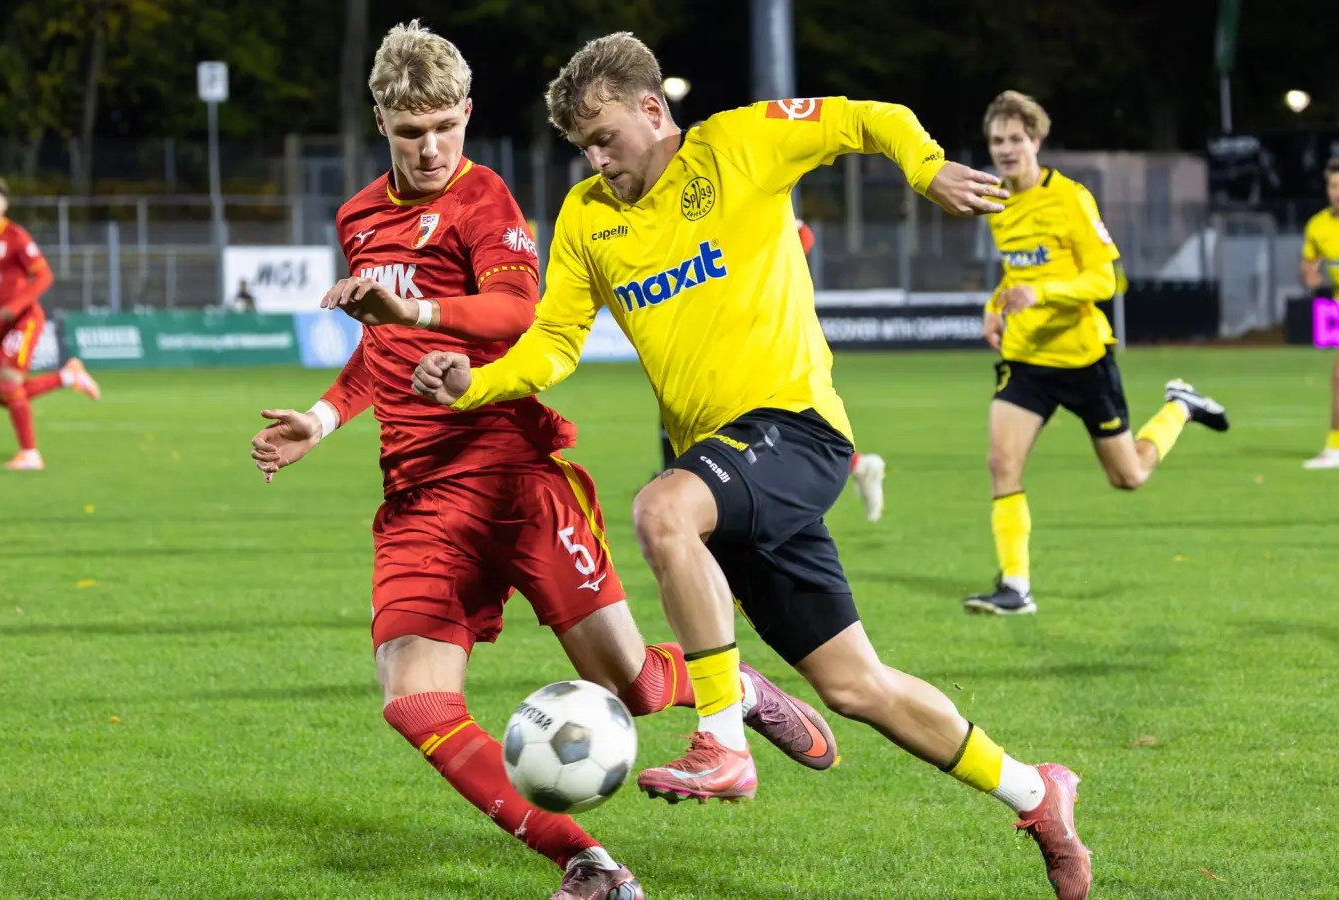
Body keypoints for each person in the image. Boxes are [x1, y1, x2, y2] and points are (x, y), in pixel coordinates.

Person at [413, 33, 1092, 900]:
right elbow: (554, 343)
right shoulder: (588, 215)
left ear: (653, 110)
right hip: (727, 466)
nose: (595, 157)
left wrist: (926, 169)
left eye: (605, 135)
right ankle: (1038, 792)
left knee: (662, 511)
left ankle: (724, 743)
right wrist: (474, 384)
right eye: (581, 145)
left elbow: (865, 118)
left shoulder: (737, 143)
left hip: (796, 430)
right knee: (855, 685)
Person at [248, 22, 835, 900]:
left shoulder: (485, 202)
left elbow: (516, 314)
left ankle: (733, 687)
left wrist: (416, 311)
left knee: (634, 686)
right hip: (416, 498)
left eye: (446, 125)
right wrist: (327, 418)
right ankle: (587, 863)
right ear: (381, 122)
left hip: (515, 482)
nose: (431, 146)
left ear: (467, 114)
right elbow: (380, 348)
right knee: (414, 703)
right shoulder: (359, 216)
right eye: (411, 133)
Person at [965, 91, 1229, 614]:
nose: (1005, 149)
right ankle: (1015, 587)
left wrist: (1040, 294)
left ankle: (1180, 406)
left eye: (1016, 139)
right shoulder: (995, 201)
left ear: (1036, 140)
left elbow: (1105, 278)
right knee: (1002, 463)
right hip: (1027, 360)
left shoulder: (1070, 199)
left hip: (1084, 359)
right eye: (997, 140)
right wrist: (997, 305)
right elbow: (1019, 271)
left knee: (1128, 476)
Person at [658, 216, 886, 524]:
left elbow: (803, 234)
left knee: (761, 424)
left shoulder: (749, 199)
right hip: (713, 335)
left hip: (758, 334)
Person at [0, 175, 101, 470]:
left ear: (4, 204)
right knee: (3, 394)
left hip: (24, 320)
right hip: (2, 327)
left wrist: (14, 306)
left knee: (10, 383)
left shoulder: (15, 237)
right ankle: (68, 377)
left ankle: (30, 454)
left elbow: (44, 276)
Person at [1300, 157, 1339, 469]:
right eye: (1333, 185)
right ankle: (1335, 447)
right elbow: (1309, 264)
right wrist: (1313, 278)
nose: (1337, 192)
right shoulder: (1318, 226)